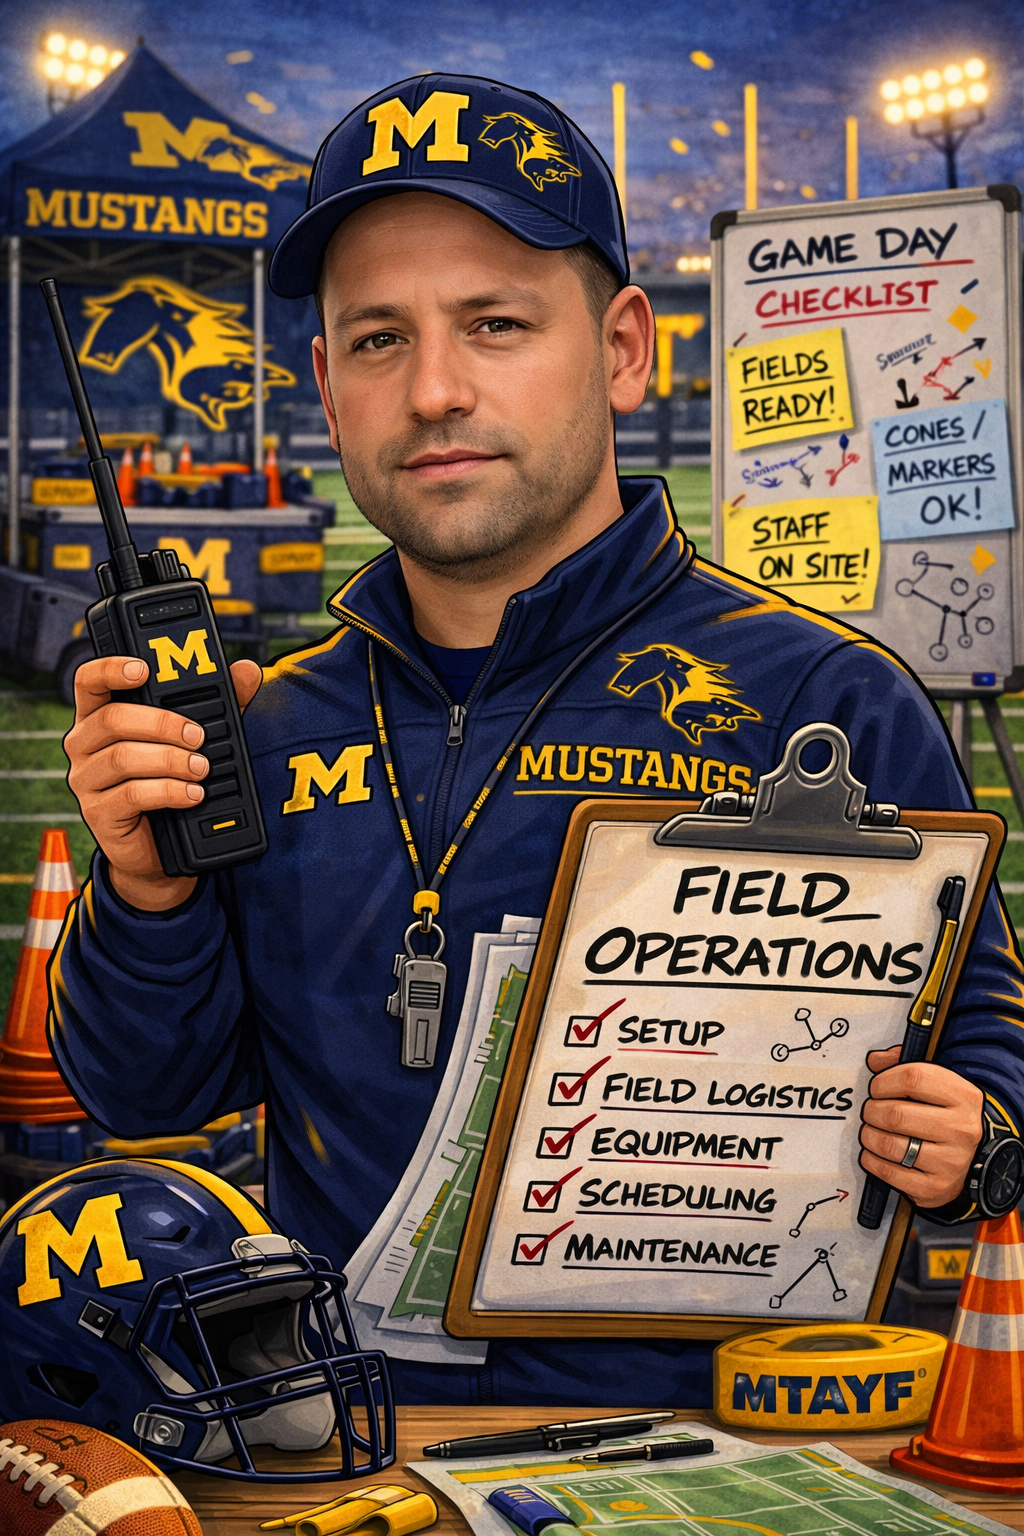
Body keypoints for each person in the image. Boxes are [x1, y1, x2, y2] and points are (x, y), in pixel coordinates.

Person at [51, 73, 1024, 1407]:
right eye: (380, 341)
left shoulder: (828, 701)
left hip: (736, 1456)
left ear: (625, 349)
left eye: (496, 323)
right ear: (327, 387)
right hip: (341, 1452)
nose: (436, 390)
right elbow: (144, 1097)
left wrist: (978, 1138)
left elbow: (984, 1051)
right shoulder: (267, 725)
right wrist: (145, 889)